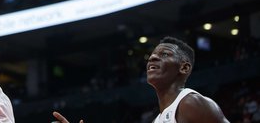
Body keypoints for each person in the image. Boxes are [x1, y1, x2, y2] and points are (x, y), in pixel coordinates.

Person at [52, 36, 230, 123]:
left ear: (183, 68)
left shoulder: (191, 103)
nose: (152, 58)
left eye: (165, 54)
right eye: (152, 55)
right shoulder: (160, 119)